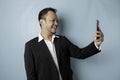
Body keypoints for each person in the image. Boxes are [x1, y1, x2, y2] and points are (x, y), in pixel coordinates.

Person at [24, 7, 104, 80]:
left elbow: (80, 54)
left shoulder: (63, 40)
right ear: (42, 22)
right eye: (53, 20)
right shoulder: (30, 46)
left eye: (57, 21)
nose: (56, 23)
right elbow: (31, 76)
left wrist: (96, 43)